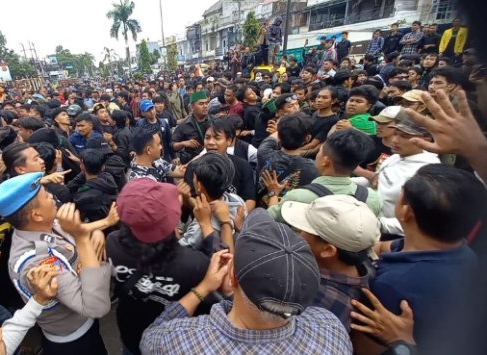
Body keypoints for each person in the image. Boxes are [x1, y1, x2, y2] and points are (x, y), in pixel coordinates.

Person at [140, 209, 352, 355]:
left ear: (232, 276)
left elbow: (148, 340)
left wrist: (204, 288)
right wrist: (236, 293)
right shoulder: (330, 328)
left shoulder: (177, 340)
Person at [0, 173, 112, 355]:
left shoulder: (48, 225)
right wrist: (83, 241)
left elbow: (75, 231)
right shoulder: (37, 261)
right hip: (74, 340)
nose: (52, 197)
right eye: (46, 196)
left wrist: (97, 230)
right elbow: (95, 306)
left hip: (82, 323)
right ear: (36, 215)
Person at [368, 164, 483, 355]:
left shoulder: (394, 283)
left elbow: (368, 347)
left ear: (406, 212)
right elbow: (385, 247)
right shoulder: (461, 249)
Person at [106, 178, 211, 355]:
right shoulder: (195, 264)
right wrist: (208, 225)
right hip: (171, 342)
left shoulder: (112, 243)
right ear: (174, 218)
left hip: (130, 333)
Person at [282, 195, 379, 331]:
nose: (298, 232)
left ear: (328, 250)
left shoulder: (313, 297)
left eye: (303, 229)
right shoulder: (367, 267)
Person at [352, 115, 440, 237]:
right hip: (370, 223)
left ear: (425, 140)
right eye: (396, 133)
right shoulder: (395, 157)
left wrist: (376, 224)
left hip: (393, 236)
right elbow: (377, 182)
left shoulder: (428, 173)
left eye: (404, 136)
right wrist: (341, 183)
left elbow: (419, 222)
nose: (395, 140)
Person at [267, 129, 381, 222]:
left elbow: (269, 218)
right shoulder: (371, 199)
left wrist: (273, 193)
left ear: (326, 161)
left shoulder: (298, 197)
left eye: (320, 151)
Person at [180, 153, 247, 250]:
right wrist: (188, 199)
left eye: (194, 177)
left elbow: (178, 252)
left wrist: (173, 212)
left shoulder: (199, 230)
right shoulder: (237, 201)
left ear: (199, 186)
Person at [257, 112, 320, 208]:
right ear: (308, 138)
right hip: (286, 216)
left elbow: (273, 137)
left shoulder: (263, 152)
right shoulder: (313, 169)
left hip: (259, 211)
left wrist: (283, 127)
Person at [197, 119, 256, 210]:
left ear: (229, 141)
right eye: (207, 138)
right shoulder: (195, 167)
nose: (211, 142)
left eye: (217, 138)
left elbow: (250, 199)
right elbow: (192, 197)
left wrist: (235, 219)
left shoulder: (242, 165)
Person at [69, 149, 118, 223]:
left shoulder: (83, 196)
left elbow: (69, 186)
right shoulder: (109, 179)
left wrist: (83, 169)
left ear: (82, 167)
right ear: (103, 167)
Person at [172, 91, 213, 164]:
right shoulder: (184, 125)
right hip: (193, 163)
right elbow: (172, 145)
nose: (205, 106)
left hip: (213, 160)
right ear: (192, 107)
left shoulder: (215, 121)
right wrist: (183, 143)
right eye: (201, 104)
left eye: (206, 103)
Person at [302, 87, 340, 152]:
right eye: (318, 97)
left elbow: (313, 144)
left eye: (324, 98)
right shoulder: (315, 113)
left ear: (333, 101)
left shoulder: (332, 120)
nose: (319, 100)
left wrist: (296, 151)